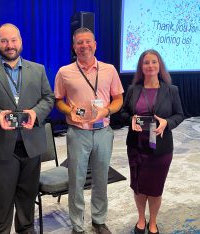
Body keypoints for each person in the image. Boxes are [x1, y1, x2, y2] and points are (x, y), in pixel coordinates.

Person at [0, 23, 54, 234]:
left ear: (21, 41)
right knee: (2, 199)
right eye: (4, 40)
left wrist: (36, 113)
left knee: (27, 197)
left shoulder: (38, 69)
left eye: (13, 40)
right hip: (0, 146)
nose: (9, 45)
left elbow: (48, 99)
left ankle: (26, 230)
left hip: (31, 145)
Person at [54, 27, 124, 234]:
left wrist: (107, 110)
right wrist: (69, 110)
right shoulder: (64, 72)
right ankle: (77, 225)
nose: (84, 46)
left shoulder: (109, 69)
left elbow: (118, 98)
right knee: (76, 180)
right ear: (74, 47)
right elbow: (58, 101)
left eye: (88, 42)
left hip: (103, 131)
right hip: (78, 132)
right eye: (79, 43)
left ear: (95, 44)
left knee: (101, 178)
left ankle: (99, 220)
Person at [119, 49, 184, 234]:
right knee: (139, 187)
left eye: (154, 62)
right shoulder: (133, 89)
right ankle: (141, 219)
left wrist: (167, 122)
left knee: (155, 188)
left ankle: (153, 221)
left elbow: (180, 114)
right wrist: (130, 119)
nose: (150, 65)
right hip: (136, 147)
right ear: (141, 66)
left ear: (159, 65)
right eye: (146, 62)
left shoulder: (171, 90)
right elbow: (123, 113)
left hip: (161, 148)